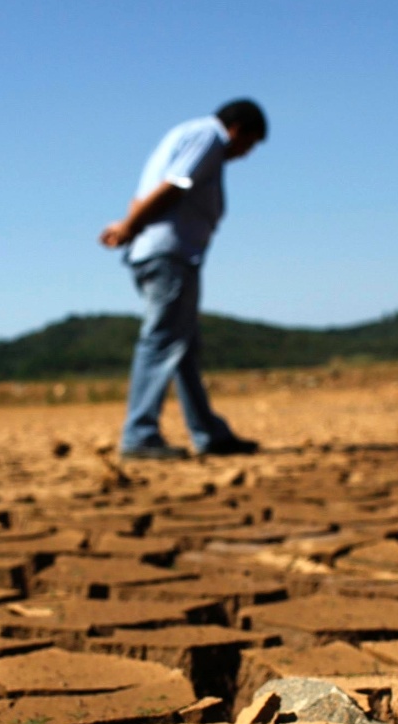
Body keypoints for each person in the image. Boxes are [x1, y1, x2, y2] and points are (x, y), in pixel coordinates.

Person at [99, 99, 267, 459]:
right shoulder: (209, 137)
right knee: (161, 342)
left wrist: (131, 225)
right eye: (249, 144)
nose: (246, 154)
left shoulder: (182, 134)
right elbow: (174, 185)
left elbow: (143, 193)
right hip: (170, 254)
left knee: (183, 348)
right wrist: (130, 226)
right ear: (237, 129)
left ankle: (209, 434)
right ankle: (139, 435)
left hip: (159, 252)